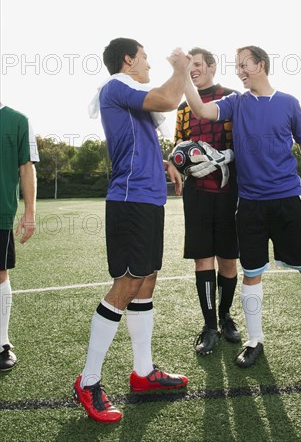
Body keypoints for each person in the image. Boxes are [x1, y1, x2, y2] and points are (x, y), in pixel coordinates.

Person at [183, 45, 301, 368]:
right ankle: (254, 342)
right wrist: (183, 74)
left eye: (243, 65)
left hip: (287, 200)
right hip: (250, 204)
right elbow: (200, 109)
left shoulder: (289, 103)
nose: (238, 71)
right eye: (236, 66)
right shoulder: (236, 104)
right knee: (251, 274)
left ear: (260, 65)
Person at [73, 38, 192, 423]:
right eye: (144, 59)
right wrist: (181, 68)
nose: (149, 66)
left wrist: (163, 162)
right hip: (130, 201)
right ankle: (88, 381)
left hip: (147, 199)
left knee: (147, 280)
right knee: (128, 282)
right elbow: (167, 100)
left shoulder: (129, 93)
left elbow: (133, 144)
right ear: (128, 61)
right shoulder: (117, 85)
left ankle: (143, 372)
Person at [174, 48, 240, 356]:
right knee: (203, 259)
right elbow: (179, 147)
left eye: (197, 65)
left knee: (228, 260)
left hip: (229, 192)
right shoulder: (183, 108)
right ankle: (210, 325)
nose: (194, 70)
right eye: (189, 67)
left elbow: (244, 142)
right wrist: (182, 162)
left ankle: (226, 315)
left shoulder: (231, 97)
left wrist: (226, 156)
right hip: (197, 193)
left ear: (212, 66)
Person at [0, 103, 39, 371]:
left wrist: (30, 212)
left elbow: (26, 167)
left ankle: (2, 343)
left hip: (0, 211)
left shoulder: (18, 121)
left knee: (0, 274)